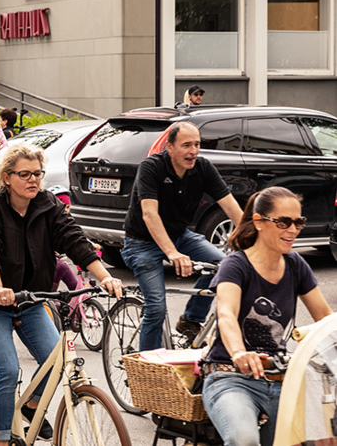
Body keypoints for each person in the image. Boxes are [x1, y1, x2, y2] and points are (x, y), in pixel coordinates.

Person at [0, 143, 123, 444]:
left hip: (32, 300)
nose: (33, 179)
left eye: (38, 173)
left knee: (57, 359)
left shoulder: (48, 205)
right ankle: (1, 440)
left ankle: (32, 405)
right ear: (7, 177)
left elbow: (74, 239)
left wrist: (106, 277)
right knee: (8, 370)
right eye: (25, 174)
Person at [201, 187, 333, 446]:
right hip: (230, 378)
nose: (293, 229)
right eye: (284, 222)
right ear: (259, 222)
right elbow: (226, 313)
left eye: (299, 222)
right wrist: (239, 352)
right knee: (245, 440)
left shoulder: (296, 265)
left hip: (283, 379)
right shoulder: (236, 264)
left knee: (323, 437)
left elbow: (326, 320)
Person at [121, 121, 243, 351]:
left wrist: (253, 241)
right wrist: (172, 253)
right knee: (156, 308)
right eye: (186, 145)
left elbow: (231, 207)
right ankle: (149, 370)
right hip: (141, 242)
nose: (193, 151)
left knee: (224, 266)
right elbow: (149, 214)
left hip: (180, 235)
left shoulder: (203, 168)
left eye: (197, 144)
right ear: (169, 147)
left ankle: (190, 320)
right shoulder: (151, 167)